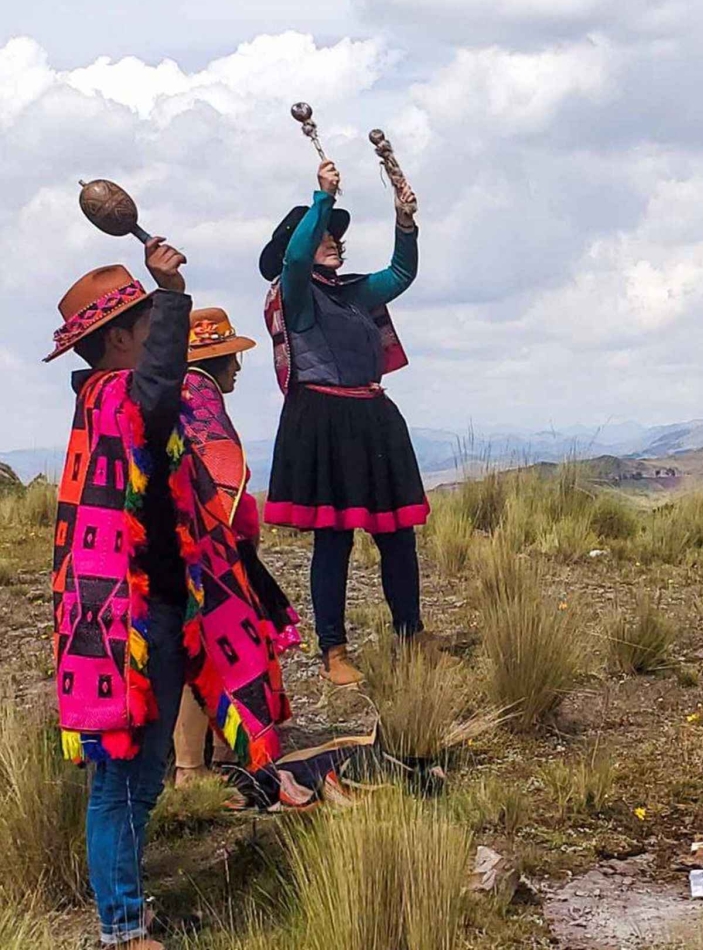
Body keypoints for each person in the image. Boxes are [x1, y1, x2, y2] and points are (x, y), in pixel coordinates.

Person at [48, 251, 291, 949]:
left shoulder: (108, 404)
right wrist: (174, 291)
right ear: (122, 338)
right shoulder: (118, 398)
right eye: (148, 322)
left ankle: (127, 910)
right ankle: (122, 928)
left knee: (136, 779)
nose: (159, 333)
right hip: (132, 617)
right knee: (122, 782)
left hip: (143, 609)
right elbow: (157, 392)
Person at [261, 159, 429, 685]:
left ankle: (412, 635)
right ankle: (333, 651)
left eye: (335, 235)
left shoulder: (353, 292)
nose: (334, 240)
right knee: (333, 540)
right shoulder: (295, 295)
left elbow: (400, 274)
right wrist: (323, 198)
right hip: (325, 420)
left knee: (398, 535)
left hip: (372, 417)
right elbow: (294, 260)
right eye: (324, 235)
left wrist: (405, 222)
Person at [171, 308, 301, 788]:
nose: (238, 369)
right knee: (208, 649)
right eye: (232, 358)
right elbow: (221, 484)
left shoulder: (183, 397)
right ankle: (192, 767)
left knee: (206, 649)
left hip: (200, 545)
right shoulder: (198, 400)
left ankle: (218, 752)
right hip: (211, 549)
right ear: (215, 362)